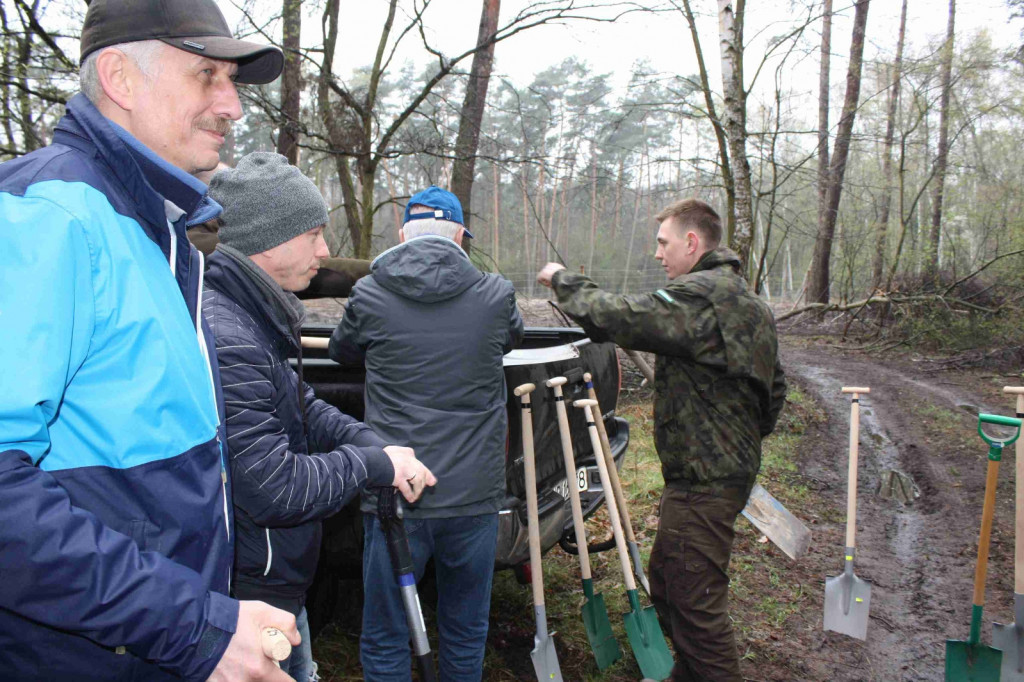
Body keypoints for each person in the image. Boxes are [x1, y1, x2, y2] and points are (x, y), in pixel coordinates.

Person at [0, 1, 301, 680]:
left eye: (233, 81)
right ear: (120, 78)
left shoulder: (155, 231)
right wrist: (192, 624)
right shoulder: (49, 218)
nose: (233, 106)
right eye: (206, 76)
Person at [202, 152, 437, 682]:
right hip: (249, 590)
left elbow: (301, 405)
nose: (326, 251)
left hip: (274, 579)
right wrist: (371, 467)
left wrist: (375, 444)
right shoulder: (229, 334)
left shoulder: (248, 314)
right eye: (313, 234)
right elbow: (274, 488)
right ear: (270, 238)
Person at [537, 198, 787, 681]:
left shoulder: (702, 296)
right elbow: (774, 388)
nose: (657, 254)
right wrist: (738, 436)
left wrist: (563, 279)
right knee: (670, 582)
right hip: (713, 473)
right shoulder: (748, 301)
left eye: (663, 243)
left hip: (706, 480)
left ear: (692, 243)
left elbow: (624, 316)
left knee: (694, 600)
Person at [329, 186, 525, 681]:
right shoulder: (496, 295)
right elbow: (512, 339)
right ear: (460, 235)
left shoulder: (370, 293)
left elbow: (341, 351)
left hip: (398, 493)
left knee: (386, 630)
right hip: (473, 497)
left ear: (401, 237)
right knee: (464, 627)